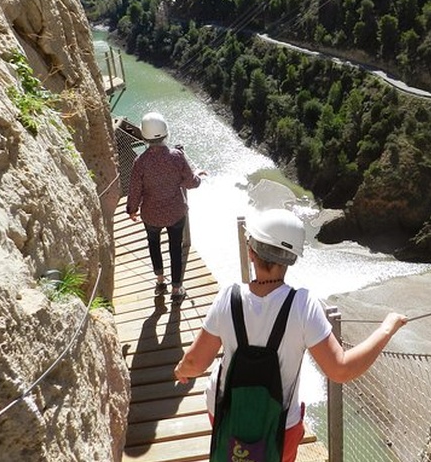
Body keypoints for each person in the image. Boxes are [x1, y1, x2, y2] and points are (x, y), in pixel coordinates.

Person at [174, 208, 408, 461]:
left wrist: (182, 370)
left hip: (227, 409)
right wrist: (387, 328)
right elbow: (340, 370)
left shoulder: (228, 297)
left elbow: (195, 362)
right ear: (292, 259)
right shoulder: (302, 305)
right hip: (280, 423)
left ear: (251, 252)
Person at [127, 112, 205, 305]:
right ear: (165, 133)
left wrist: (132, 210)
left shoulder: (140, 162)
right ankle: (177, 289)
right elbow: (191, 183)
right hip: (175, 212)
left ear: (144, 136)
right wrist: (198, 176)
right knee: (175, 248)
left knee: (153, 244)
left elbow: (135, 190)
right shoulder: (177, 157)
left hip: (151, 214)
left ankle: (160, 282)